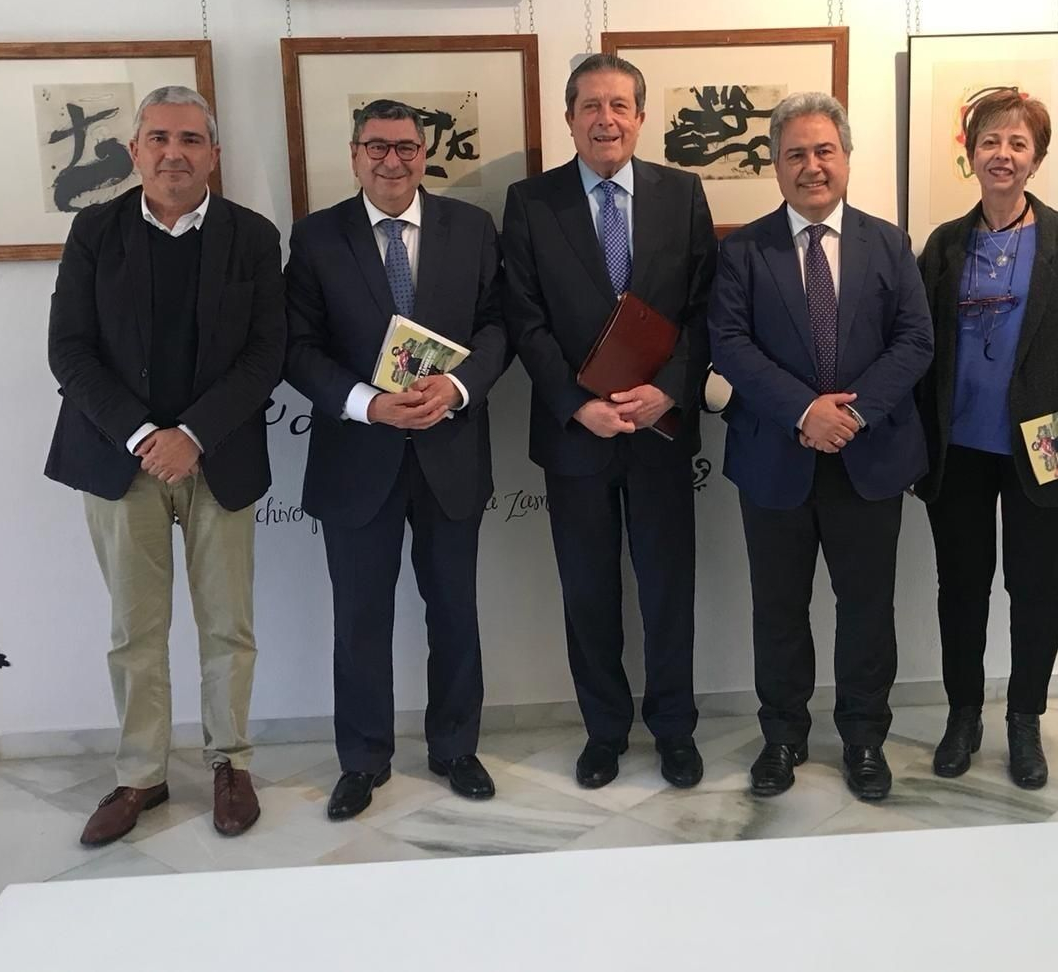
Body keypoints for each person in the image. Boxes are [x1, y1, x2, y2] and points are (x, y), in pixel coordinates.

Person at [45, 86, 283, 846]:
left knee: (227, 626)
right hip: (122, 463)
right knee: (134, 631)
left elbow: (265, 354)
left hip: (221, 461)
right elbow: (69, 350)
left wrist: (196, 435)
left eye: (189, 139)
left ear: (213, 152)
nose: (173, 152)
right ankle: (140, 775)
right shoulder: (94, 231)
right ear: (135, 149)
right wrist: (148, 434)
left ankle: (229, 764)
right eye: (158, 139)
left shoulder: (252, 236)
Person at [285, 99, 511, 818]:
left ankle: (454, 747)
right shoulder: (317, 237)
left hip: (450, 453)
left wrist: (458, 385)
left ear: (424, 154)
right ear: (354, 155)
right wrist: (365, 402)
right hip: (357, 456)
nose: (392, 160)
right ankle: (362, 759)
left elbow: (499, 325)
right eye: (376, 147)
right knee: (359, 619)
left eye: (406, 147)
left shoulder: (470, 228)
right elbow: (297, 346)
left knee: (453, 613)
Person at [708, 92, 933, 801]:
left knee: (868, 608)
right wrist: (804, 411)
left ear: (846, 157)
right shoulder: (744, 248)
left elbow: (915, 340)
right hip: (775, 457)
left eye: (824, 151)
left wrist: (851, 415)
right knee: (778, 608)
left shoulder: (888, 242)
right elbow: (730, 345)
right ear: (774, 165)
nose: (812, 166)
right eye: (796, 153)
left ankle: (864, 738)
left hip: (869, 459)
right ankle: (783, 736)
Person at [501, 54, 716, 791]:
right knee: (588, 591)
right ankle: (604, 731)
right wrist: (576, 404)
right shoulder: (531, 203)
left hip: (659, 431)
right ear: (568, 118)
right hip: (576, 437)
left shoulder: (682, 195)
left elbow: (704, 310)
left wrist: (670, 391)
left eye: (620, 105)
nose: (606, 119)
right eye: (590, 105)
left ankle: (675, 730)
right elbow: (525, 320)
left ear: (641, 116)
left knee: (667, 590)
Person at [914, 88, 1058, 790]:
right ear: (968, 154)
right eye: (990, 141)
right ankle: (962, 715)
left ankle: (1024, 721)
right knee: (961, 588)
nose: (1003, 154)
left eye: (1017, 143)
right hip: (958, 446)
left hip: (1048, 446)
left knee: (1035, 588)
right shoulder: (943, 244)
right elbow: (919, 350)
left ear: (1037, 157)